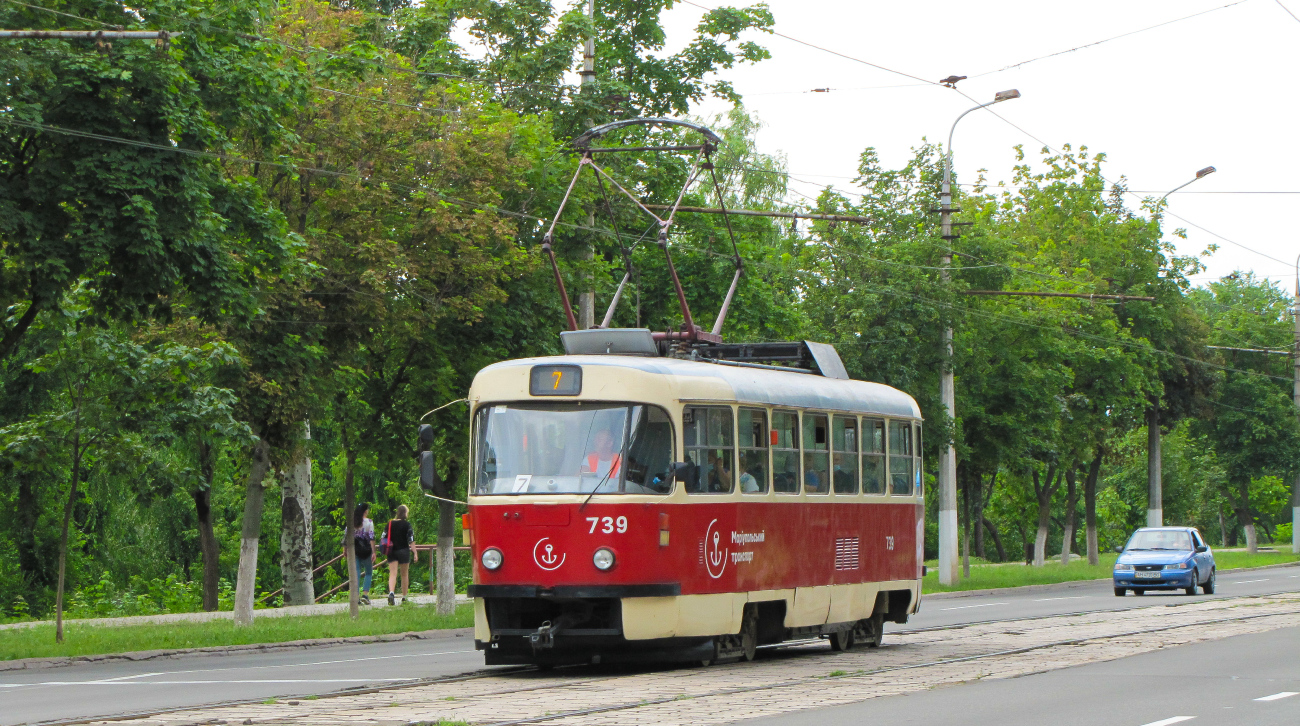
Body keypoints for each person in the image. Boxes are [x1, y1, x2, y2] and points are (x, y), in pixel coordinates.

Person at [384, 505, 417, 606]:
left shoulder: (389, 524)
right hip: (403, 550)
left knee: (393, 573)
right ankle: (404, 597)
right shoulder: (407, 525)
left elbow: (383, 537)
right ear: (405, 513)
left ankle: (391, 593)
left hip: (391, 551)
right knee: (404, 574)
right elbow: (411, 540)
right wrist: (415, 552)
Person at [353, 503, 375, 605]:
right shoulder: (369, 522)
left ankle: (356, 597)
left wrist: (345, 549)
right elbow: (371, 537)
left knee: (356, 573)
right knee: (368, 572)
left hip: (355, 550)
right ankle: (365, 594)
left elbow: (346, 536)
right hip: (366, 551)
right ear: (365, 511)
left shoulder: (352, 522)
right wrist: (374, 551)